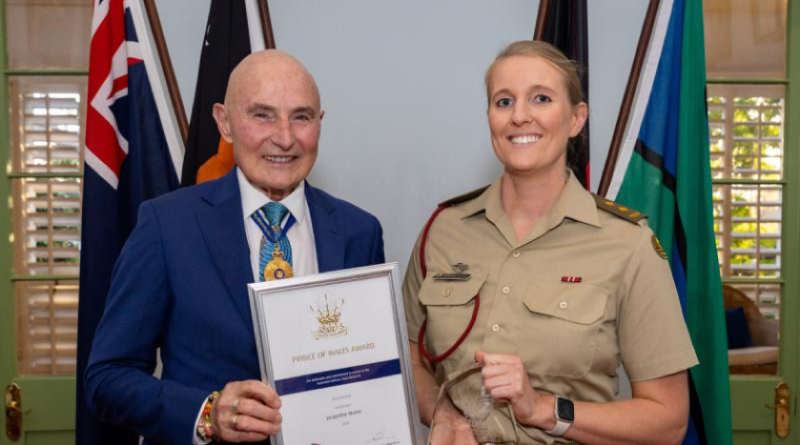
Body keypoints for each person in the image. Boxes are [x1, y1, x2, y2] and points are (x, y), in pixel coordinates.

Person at [403, 41, 699, 445]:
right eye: (503, 101)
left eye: (541, 98)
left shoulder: (627, 245)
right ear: (489, 117)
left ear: (577, 118)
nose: (520, 116)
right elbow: (409, 357)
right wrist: (443, 415)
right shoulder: (443, 230)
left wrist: (542, 408)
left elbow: (667, 421)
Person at [85, 50, 385, 444]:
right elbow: (107, 378)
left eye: (301, 116)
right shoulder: (167, 225)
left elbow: (370, 372)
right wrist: (207, 412)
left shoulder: (359, 231)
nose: (285, 137)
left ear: (319, 123)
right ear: (224, 123)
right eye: (262, 115)